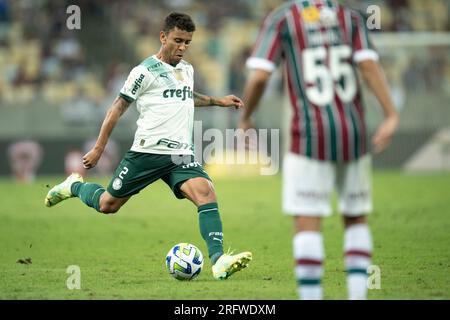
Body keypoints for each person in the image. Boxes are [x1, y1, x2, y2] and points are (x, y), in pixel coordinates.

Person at [45, 12, 252, 280]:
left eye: (187, 42)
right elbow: (116, 108)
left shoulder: (186, 69)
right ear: (163, 37)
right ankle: (73, 186)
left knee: (206, 194)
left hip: (179, 154)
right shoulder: (143, 72)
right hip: (146, 153)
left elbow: (187, 97)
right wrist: (99, 148)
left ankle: (219, 260)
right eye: (177, 40)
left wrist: (218, 101)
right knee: (109, 204)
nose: (182, 47)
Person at [239, 0, 398, 299]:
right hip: (354, 131)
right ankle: (358, 294)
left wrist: (246, 115)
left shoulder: (284, 18)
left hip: (308, 134)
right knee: (355, 217)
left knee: (308, 218)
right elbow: (368, 66)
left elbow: (260, 75)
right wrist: (391, 114)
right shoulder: (350, 18)